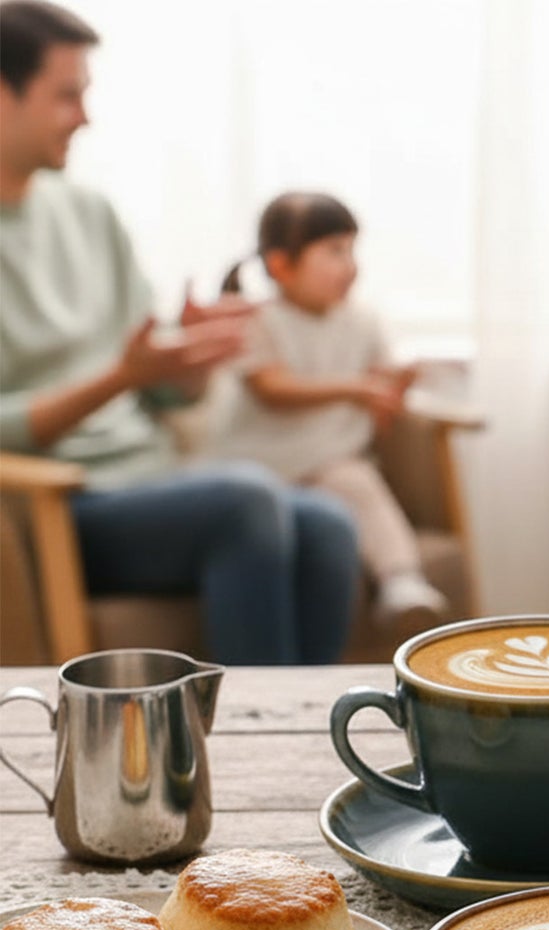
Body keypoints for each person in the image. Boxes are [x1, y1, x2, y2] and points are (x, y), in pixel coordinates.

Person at [0, 1, 359, 665]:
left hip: (151, 479)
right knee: (244, 500)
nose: (85, 117)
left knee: (329, 523)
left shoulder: (88, 212)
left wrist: (183, 363)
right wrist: (122, 376)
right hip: (53, 505)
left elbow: (157, 390)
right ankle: (249, 730)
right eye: (67, 96)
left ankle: (305, 725)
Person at [213, 192, 449, 639]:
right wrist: (356, 387)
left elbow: (381, 387)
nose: (351, 265)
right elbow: (272, 388)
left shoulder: (364, 321)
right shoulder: (259, 321)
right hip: (263, 469)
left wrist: (395, 385)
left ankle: (401, 581)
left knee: (358, 485)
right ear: (281, 265)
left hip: (331, 466)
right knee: (335, 494)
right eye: (335, 251)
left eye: (353, 250)